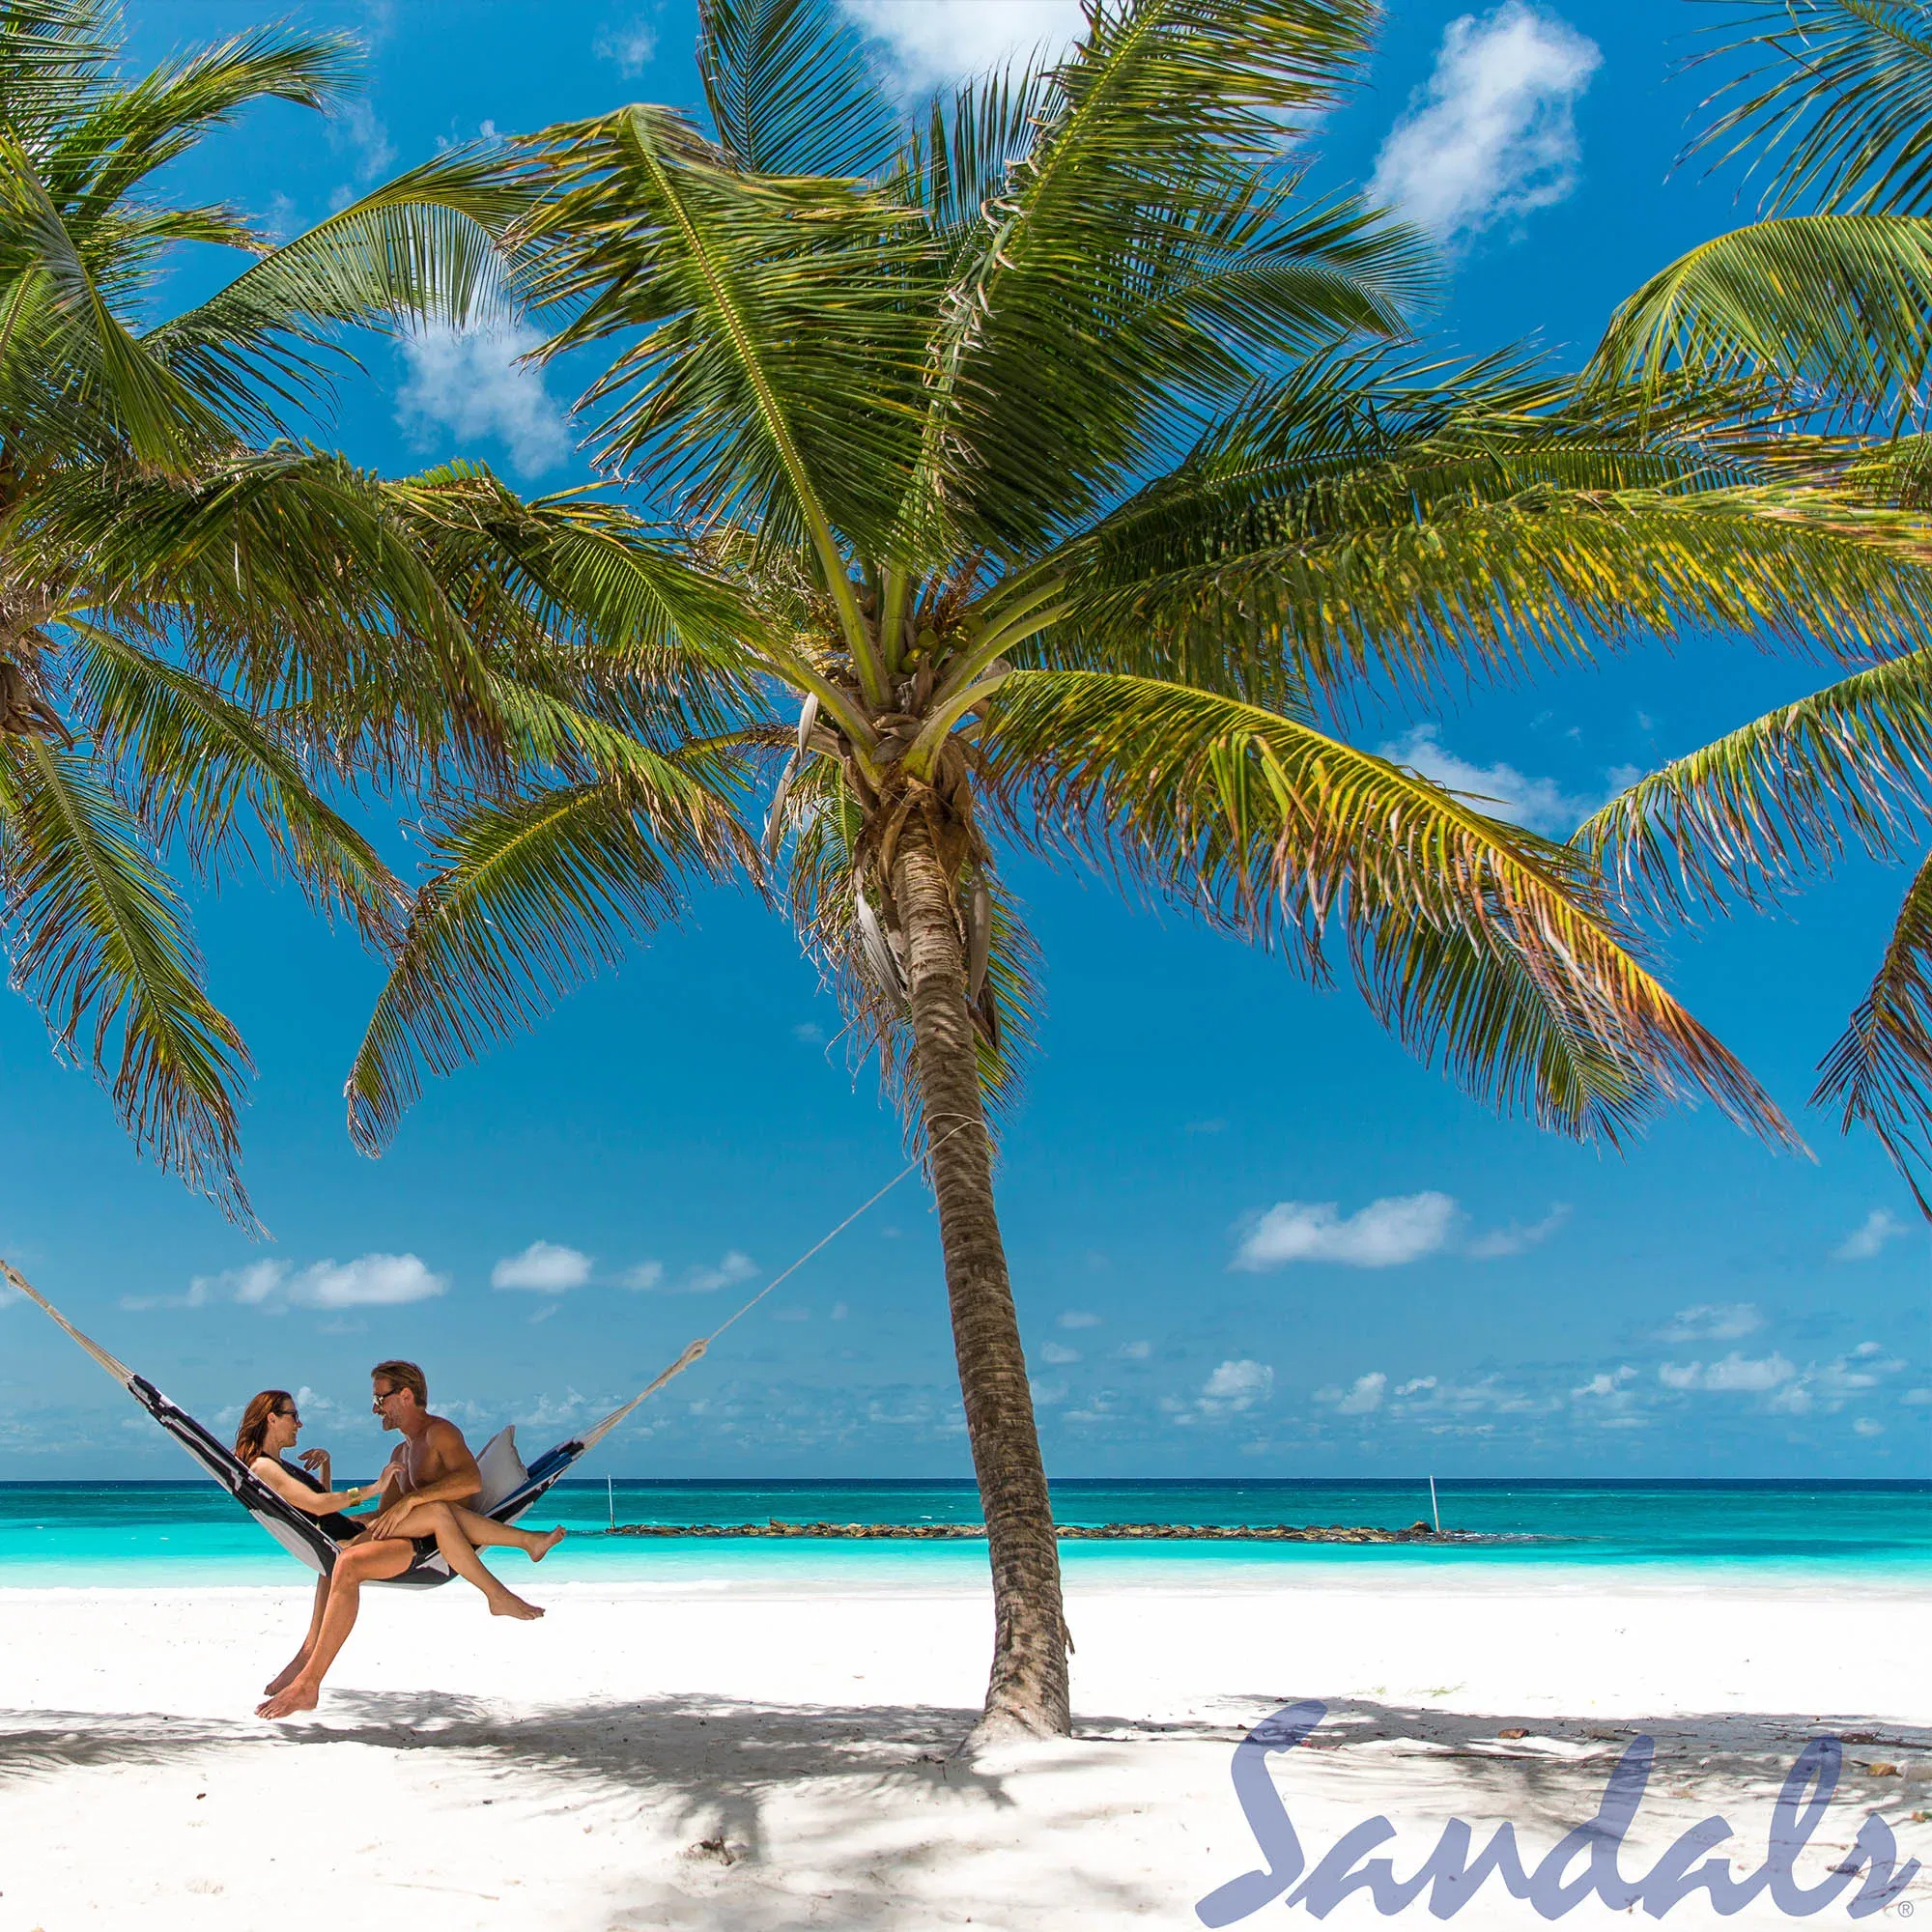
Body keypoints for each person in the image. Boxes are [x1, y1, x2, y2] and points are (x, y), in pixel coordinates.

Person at [254, 1360, 565, 1720]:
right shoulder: (400, 1454)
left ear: (404, 1396)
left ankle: (310, 1682)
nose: (375, 1408)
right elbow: (387, 1514)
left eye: (379, 1398)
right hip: (410, 1542)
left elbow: (470, 1482)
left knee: (432, 1514)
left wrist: (415, 1500)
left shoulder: (439, 1434)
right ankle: (307, 1658)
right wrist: (350, 1520)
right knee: (335, 1555)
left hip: (435, 1547)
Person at [233, 1389, 387, 1698]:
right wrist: (372, 1489)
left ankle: (303, 1659)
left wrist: (326, 1466)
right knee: (417, 1513)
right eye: (294, 1416)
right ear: (272, 1418)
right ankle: (304, 1660)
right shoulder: (264, 1468)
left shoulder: (278, 1465)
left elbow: (323, 1510)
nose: (299, 1424)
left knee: (405, 1510)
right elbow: (318, 1506)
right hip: (341, 1539)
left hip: (338, 1532)